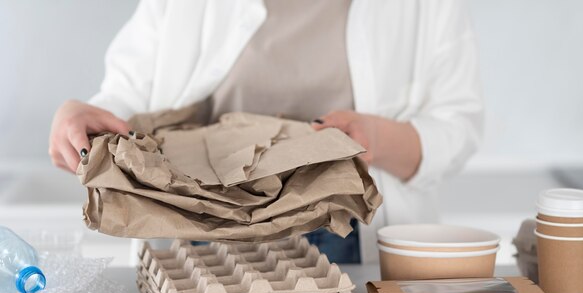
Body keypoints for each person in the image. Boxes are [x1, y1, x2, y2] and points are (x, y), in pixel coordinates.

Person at [48, 0, 484, 263]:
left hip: (343, 236)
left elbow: (459, 124)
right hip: (201, 229)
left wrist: (376, 139)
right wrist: (87, 116)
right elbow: (127, 94)